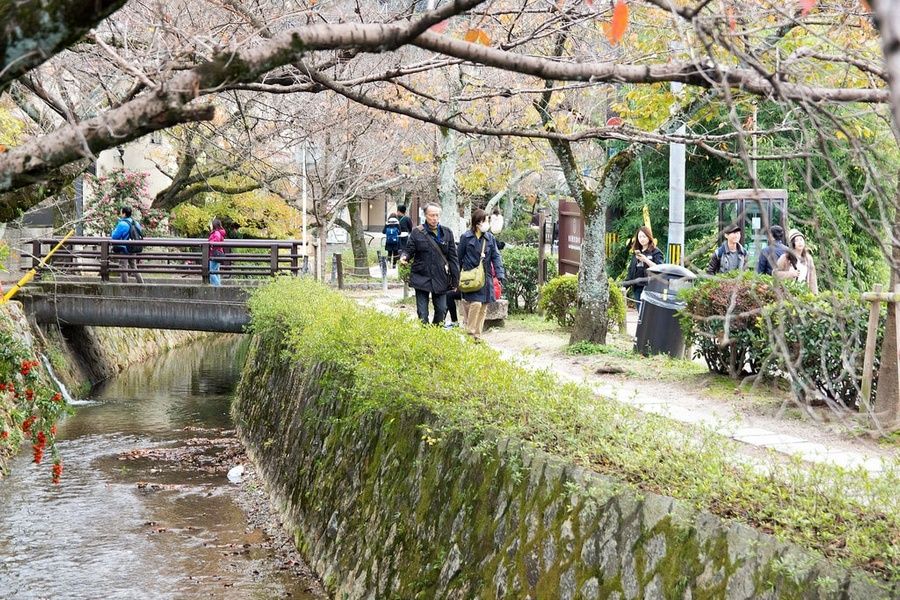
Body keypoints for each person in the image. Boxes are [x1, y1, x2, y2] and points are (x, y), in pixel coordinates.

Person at [399, 203, 460, 325]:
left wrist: (455, 280)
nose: (435, 218)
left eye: (437, 215)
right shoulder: (417, 232)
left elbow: (453, 258)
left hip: (440, 277)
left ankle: (434, 334)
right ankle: (425, 335)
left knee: (442, 310)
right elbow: (408, 250)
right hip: (421, 276)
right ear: (425, 216)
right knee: (422, 313)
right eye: (432, 215)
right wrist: (404, 257)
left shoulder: (447, 233)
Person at [457, 208, 505, 339]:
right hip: (470, 277)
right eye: (485, 220)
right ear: (477, 222)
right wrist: (456, 277)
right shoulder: (466, 237)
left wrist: (500, 274)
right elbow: (458, 258)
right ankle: (470, 331)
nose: (487, 223)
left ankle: (477, 336)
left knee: (483, 306)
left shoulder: (490, 238)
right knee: (475, 303)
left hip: (485, 277)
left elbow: (496, 256)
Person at [625, 226, 664, 302]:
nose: (641, 239)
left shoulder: (656, 252)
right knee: (640, 311)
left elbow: (659, 268)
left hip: (651, 288)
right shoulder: (636, 252)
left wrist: (645, 260)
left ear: (649, 237)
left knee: (648, 312)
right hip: (637, 287)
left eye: (644, 236)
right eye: (639, 237)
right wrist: (625, 286)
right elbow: (631, 271)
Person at [774, 228, 819, 293]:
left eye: (801, 240)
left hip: (804, 294)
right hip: (788, 294)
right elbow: (775, 274)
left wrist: (815, 295)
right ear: (793, 244)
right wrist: (790, 274)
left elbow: (813, 279)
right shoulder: (785, 258)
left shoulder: (808, 259)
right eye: (796, 240)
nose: (800, 242)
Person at [110, 206, 144, 283]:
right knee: (134, 267)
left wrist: (113, 231)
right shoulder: (136, 223)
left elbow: (115, 236)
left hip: (124, 248)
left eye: (121, 212)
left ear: (124, 214)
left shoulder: (122, 224)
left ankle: (125, 286)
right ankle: (141, 283)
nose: (120, 214)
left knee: (123, 267)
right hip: (134, 247)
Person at [208, 218, 227, 286]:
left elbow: (216, 240)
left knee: (211, 271)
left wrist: (210, 243)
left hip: (215, 253)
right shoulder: (219, 232)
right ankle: (218, 286)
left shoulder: (216, 233)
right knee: (216, 271)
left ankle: (218, 285)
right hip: (218, 253)